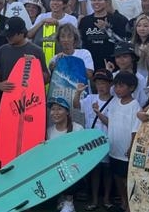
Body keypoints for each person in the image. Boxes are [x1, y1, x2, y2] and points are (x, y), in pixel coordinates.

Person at [73, 70, 115, 211]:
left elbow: (112, 124)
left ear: (110, 84)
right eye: (98, 83)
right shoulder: (90, 98)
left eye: (103, 83)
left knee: (108, 171)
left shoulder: (115, 101)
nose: (100, 86)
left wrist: (98, 113)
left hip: (109, 141)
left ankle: (107, 198)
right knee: (95, 171)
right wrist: (78, 93)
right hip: (92, 143)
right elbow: (76, 105)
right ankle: (95, 200)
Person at [100, 72, 140, 212]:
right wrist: (98, 114)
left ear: (132, 87)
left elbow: (136, 129)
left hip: (126, 151)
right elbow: (109, 122)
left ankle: (130, 205)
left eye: (121, 86)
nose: (117, 89)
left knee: (127, 179)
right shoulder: (114, 103)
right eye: (116, 86)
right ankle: (123, 202)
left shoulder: (135, 105)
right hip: (114, 149)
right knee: (117, 176)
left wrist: (131, 147)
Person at [0, 18, 49, 111]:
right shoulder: (2, 50)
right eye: (6, 35)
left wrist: (35, 66)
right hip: (7, 99)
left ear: (22, 33)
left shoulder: (36, 51)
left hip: (29, 101)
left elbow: (46, 79)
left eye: (11, 35)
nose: (8, 37)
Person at [46, 97, 84, 212]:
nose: (55, 113)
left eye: (59, 109)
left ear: (67, 112)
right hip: (56, 168)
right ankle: (61, 197)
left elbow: (82, 152)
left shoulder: (78, 128)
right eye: (53, 109)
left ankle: (69, 201)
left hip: (73, 168)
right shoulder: (49, 131)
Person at [78, 0, 129, 71]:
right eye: (93, 0)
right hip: (90, 66)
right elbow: (81, 44)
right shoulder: (85, 21)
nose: (96, 2)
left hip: (112, 66)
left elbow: (124, 44)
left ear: (107, 2)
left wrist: (107, 30)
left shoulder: (118, 20)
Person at [129, 14, 149, 80]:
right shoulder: (130, 44)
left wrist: (147, 54)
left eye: (145, 26)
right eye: (139, 26)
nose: (142, 29)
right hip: (133, 76)